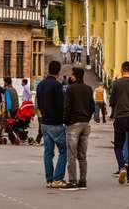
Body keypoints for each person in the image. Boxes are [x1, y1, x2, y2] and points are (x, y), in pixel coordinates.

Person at [35, 60, 67, 188]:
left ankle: (49, 179)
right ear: (58, 72)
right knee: (64, 150)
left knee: (48, 152)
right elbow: (61, 105)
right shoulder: (57, 86)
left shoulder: (40, 85)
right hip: (56, 123)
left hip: (44, 122)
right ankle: (58, 178)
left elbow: (38, 102)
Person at [63, 66, 93, 190]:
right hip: (85, 124)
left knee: (71, 154)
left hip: (73, 124)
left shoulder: (71, 89)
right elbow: (92, 107)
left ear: (75, 76)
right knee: (82, 155)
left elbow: (67, 107)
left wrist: (65, 121)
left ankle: (72, 180)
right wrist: (87, 118)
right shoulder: (88, 89)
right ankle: (83, 181)